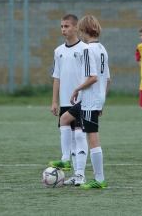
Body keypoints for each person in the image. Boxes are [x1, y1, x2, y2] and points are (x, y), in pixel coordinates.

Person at [60, 15, 111, 188]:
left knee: (93, 140)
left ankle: (99, 180)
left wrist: (77, 89)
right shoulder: (103, 49)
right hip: (96, 98)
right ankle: (66, 159)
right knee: (65, 119)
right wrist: (101, 101)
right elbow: (107, 80)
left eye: (81, 30)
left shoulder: (89, 50)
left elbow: (93, 78)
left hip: (89, 100)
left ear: (83, 30)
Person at [49, 14, 88, 185]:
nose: (64, 29)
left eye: (67, 26)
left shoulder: (84, 49)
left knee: (79, 135)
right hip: (65, 101)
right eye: (61, 26)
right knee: (71, 138)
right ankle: (75, 175)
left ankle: (80, 174)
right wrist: (54, 101)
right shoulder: (58, 51)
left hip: (81, 100)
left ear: (76, 28)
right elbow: (56, 77)